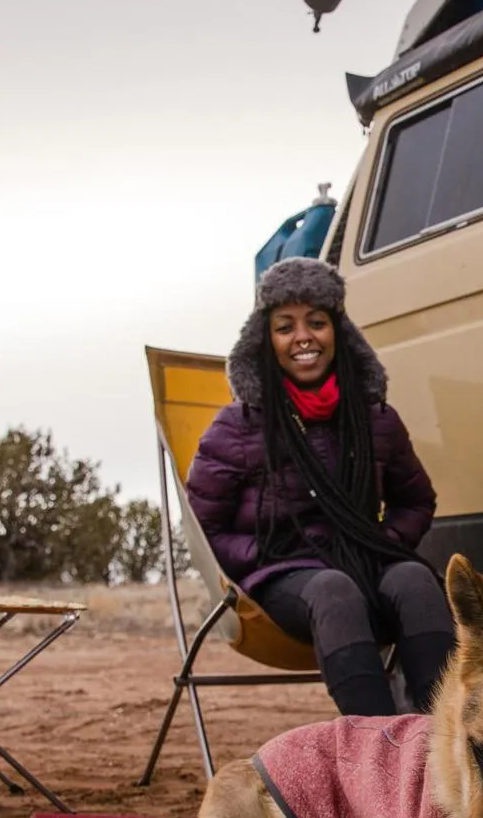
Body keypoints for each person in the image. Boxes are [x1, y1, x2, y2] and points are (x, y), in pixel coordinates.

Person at [186, 257, 454, 716]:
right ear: (266, 341)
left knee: (414, 578)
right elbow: (202, 527)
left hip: (366, 565)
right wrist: (264, 556)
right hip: (284, 581)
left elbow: (415, 499)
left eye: (317, 322)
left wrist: (381, 543)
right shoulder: (238, 426)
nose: (303, 337)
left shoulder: (374, 417)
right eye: (284, 327)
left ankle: (446, 738)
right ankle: (378, 750)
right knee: (332, 588)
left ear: (338, 332)